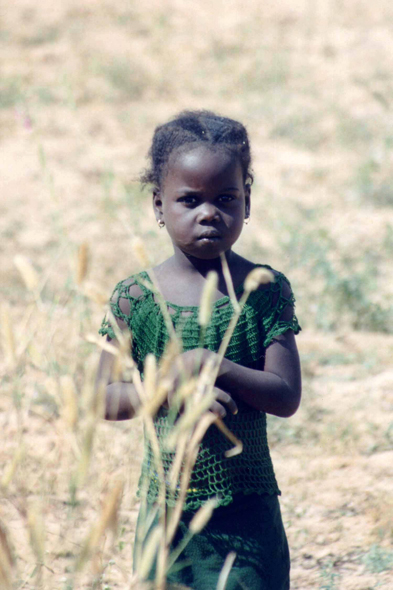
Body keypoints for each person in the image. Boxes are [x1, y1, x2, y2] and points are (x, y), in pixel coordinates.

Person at [97, 110, 302, 590]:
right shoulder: (137, 299)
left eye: (226, 198)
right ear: (158, 206)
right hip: (167, 514)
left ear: (247, 202)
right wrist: (171, 384)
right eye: (189, 200)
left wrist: (215, 366)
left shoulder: (263, 292)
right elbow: (101, 398)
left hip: (248, 509)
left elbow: (285, 396)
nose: (209, 212)